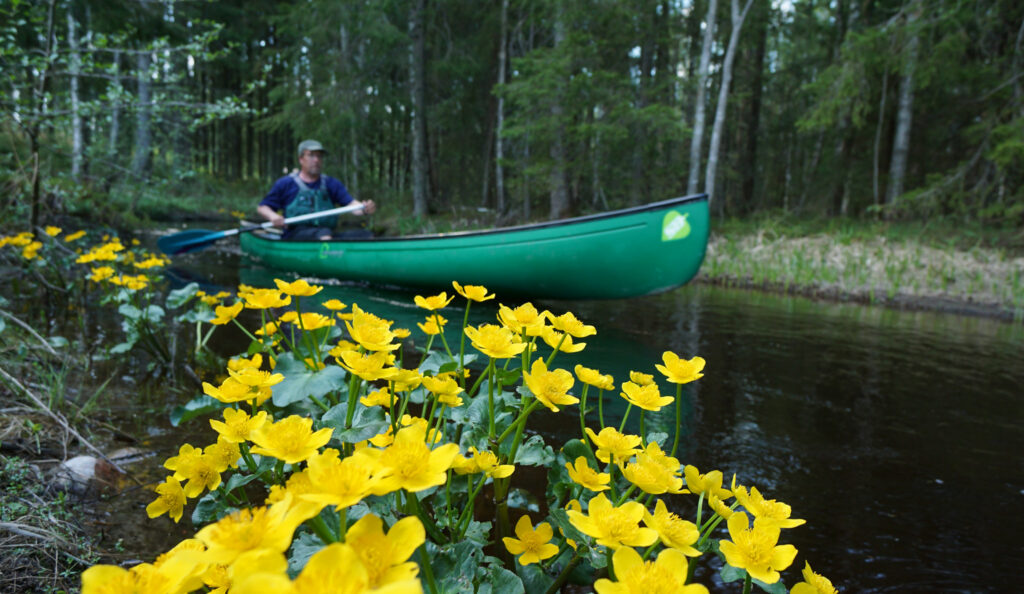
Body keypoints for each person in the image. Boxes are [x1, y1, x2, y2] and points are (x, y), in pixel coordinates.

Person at [257, 139, 376, 240]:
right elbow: (263, 207)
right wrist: (273, 216)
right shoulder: (285, 184)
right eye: (311, 155)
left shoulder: (331, 183)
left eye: (319, 156)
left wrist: (364, 208)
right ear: (301, 159)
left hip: (327, 234)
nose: (316, 160)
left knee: (366, 235)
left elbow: (351, 205)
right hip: (296, 235)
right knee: (323, 233)